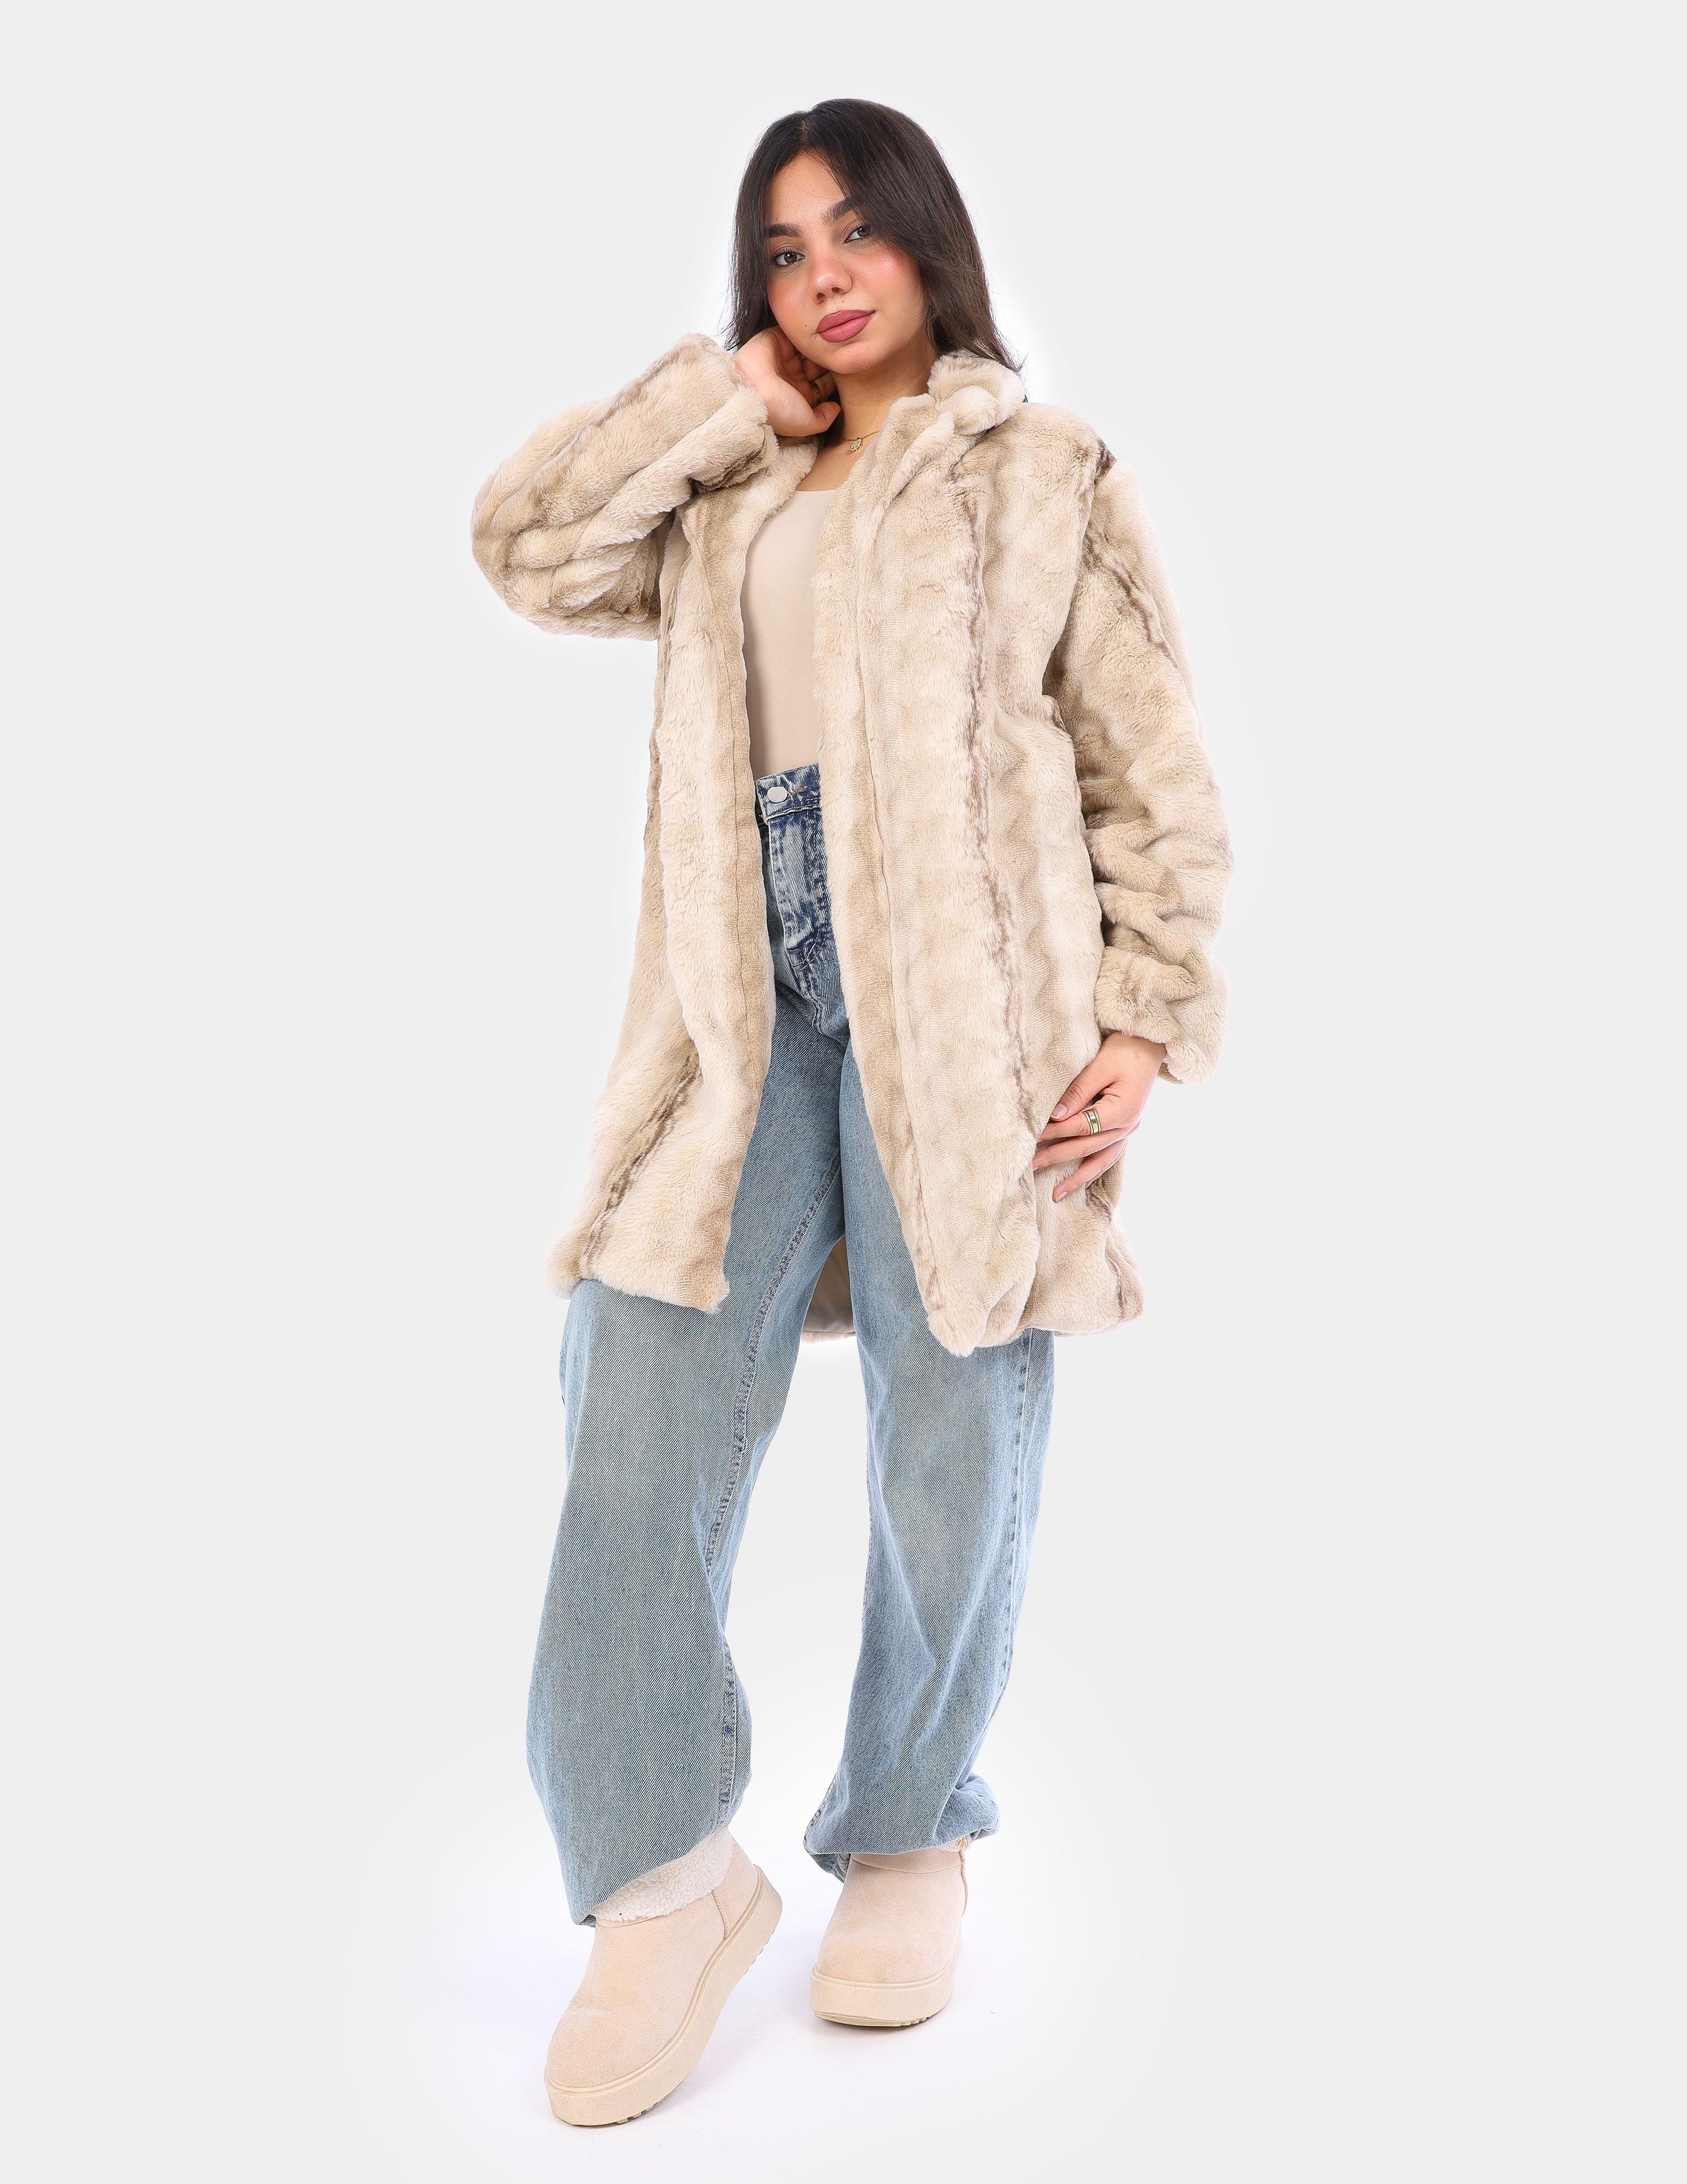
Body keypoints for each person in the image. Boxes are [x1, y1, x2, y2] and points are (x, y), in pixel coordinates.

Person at [471, 96, 1232, 2128]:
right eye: (785, 249)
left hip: (973, 1000)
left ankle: (908, 1822)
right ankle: (663, 1871)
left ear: (927, 240)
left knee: (952, 1405)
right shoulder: (729, 481)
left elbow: (1150, 766)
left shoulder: (1040, 468)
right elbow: (526, 545)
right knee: (634, 1370)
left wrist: (1144, 1017)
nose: (825, 276)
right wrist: (718, 400)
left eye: (857, 234)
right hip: (742, 1003)